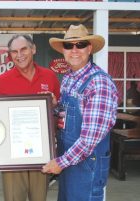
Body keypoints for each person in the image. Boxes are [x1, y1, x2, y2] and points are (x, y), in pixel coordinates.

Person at [42, 24, 118, 201]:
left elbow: (89, 139)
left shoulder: (99, 84)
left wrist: (59, 163)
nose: (74, 50)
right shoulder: (69, 77)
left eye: (80, 44)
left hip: (86, 167)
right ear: (63, 51)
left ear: (89, 48)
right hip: (69, 162)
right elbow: (67, 116)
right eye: (69, 45)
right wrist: (55, 105)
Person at [0, 34, 60, 201]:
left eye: (23, 49)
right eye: (14, 51)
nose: (19, 55)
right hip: (12, 154)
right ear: (10, 55)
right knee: (14, 198)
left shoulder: (49, 76)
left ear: (33, 49)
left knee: (39, 198)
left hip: (42, 151)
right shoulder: (1, 81)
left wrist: (55, 104)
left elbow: (59, 109)